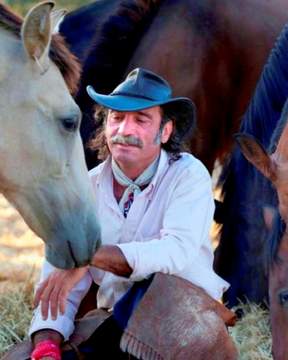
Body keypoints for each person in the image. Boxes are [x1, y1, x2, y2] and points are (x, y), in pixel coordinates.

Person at [28, 68, 230, 359]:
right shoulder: (87, 188)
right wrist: (47, 342)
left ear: (166, 131)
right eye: (117, 118)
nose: (124, 130)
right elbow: (59, 284)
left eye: (141, 119)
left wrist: (87, 255)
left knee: (151, 291)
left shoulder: (188, 174)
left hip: (188, 325)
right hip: (115, 325)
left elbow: (174, 252)